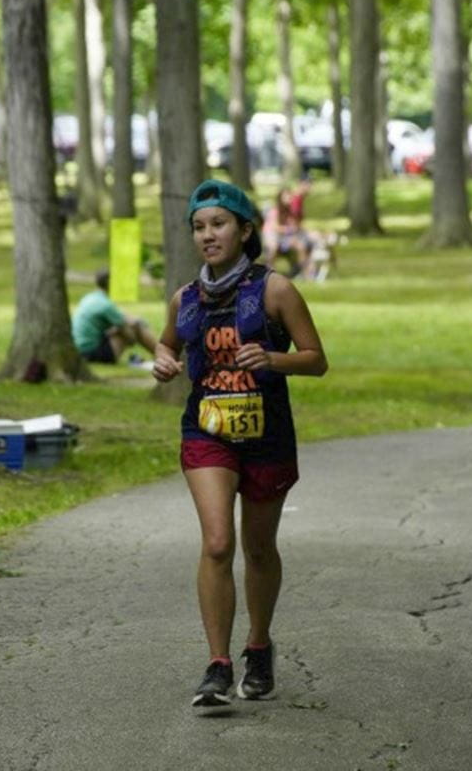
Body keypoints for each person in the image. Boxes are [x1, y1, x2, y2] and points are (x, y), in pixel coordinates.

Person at [152, 179, 327, 708]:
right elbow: (167, 342)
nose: (208, 235)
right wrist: (162, 360)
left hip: (266, 434)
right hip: (206, 433)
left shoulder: (275, 290)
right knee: (217, 543)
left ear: (245, 230)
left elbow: (316, 359)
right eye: (199, 227)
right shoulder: (185, 297)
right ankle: (217, 665)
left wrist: (273, 359)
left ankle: (259, 646)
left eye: (219, 224)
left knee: (257, 548)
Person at [71, 268, 158, 364]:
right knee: (135, 327)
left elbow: (121, 316)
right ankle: (161, 355)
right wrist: (137, 329)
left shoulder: (89, 298)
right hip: (91, 353)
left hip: (79, 350)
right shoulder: (106, 305)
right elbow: (130, 337)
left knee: (131, 324)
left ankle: (159, 354)